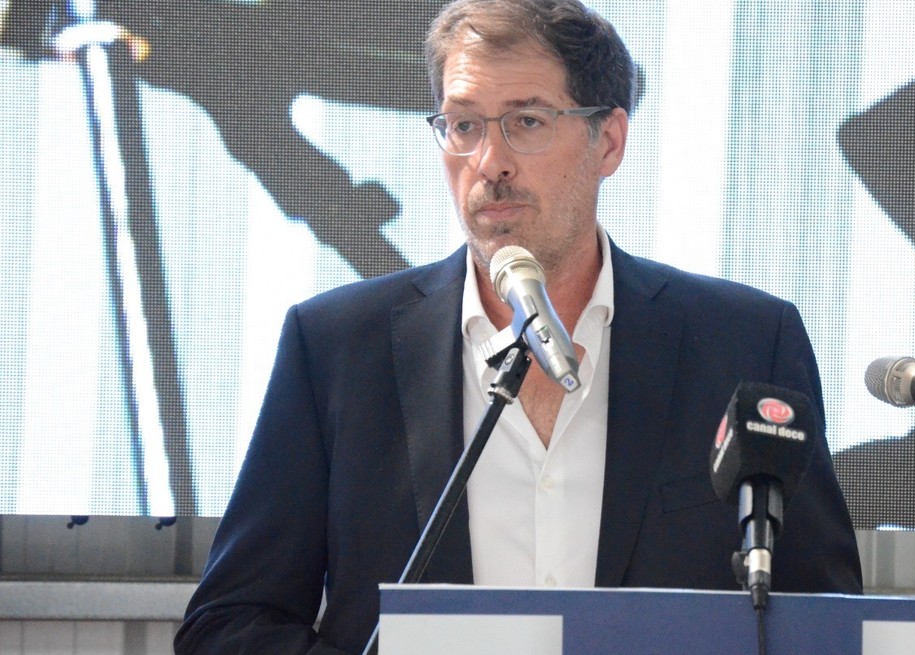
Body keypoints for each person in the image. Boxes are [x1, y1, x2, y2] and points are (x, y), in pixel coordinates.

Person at [175, 0, 862, 652]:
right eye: (463, 125)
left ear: (609, 141)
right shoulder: (336, 349)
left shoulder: (745, 345)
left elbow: (828, 623)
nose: (489, 163)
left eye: (526, 122)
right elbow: (230, 624)